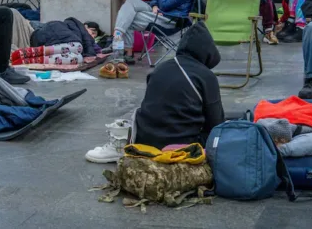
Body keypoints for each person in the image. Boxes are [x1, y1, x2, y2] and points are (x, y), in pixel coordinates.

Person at [85, 23, 223, 163]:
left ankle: (121, 143)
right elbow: (216, 122)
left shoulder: (160, 68)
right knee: (224, 130)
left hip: (146, 140)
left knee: (139, 111)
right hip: (183, 144)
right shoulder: (206, 76)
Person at [113, 0, 195, 64]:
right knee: (131, 1)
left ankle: (122, 48)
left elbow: (165, 5)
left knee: (128, 17)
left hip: (170, 20)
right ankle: (119, 37)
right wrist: (154, 5)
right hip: (159, 12)